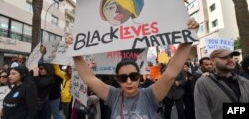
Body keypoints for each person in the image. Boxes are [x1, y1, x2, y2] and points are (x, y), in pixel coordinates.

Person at [66, 19, 199, 118]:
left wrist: (188, 39)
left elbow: (170, 73)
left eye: (133, 76)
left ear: (139, 77)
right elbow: (89, 78)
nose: (129, 81)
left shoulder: (149, 95)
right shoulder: (113, 95)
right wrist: (75, 53)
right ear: (118, 79)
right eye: (123, 78)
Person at [194, 49, 249, 119]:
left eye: (231, 57)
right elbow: (202, 113)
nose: (230, 60)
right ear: (213, 62)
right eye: (225, 57)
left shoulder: (244, 82)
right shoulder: (203, 83)